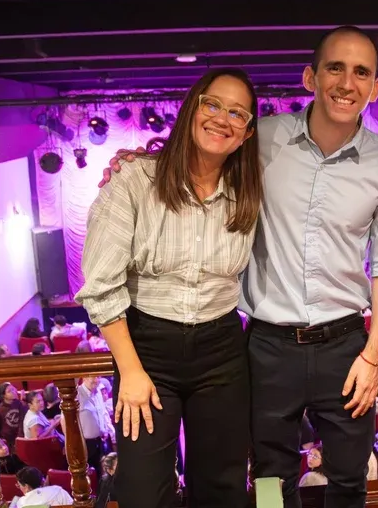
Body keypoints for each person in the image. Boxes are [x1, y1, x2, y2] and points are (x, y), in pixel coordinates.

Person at [100, 26, 378, 508]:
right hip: (267, 347)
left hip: (346, 344)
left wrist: (374, 354)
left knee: (350, 474)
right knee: (269, 476)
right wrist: (138, 159)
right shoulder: (260, 138)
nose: (347, 82)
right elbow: (198, 154)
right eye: (335, 67)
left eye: (361, 72)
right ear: (311, 76)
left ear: (375, 87)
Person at [76, 68, 263, 508]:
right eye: (213, 104)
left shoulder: (250, 190)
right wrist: (132, 370)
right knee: (142, 491)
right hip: (147, 351)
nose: (223, 118)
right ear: (192, 107)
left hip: (221, 349)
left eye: (238, 113)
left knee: (223, 487)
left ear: (247, 132)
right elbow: (101, 286)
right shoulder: (135, 180)